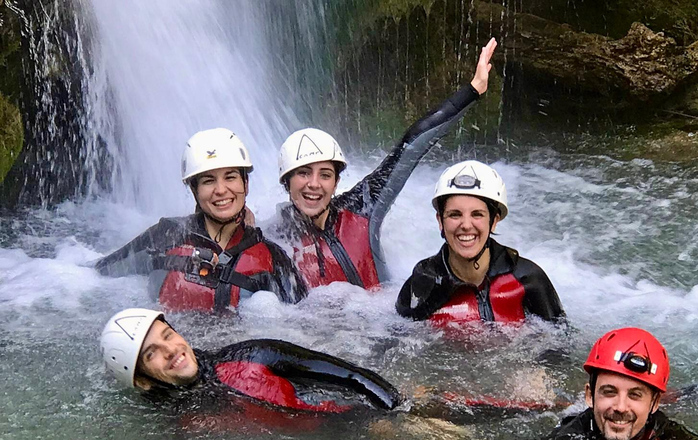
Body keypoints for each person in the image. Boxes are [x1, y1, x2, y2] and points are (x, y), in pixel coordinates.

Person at [274, 38, 498, 290]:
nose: (314, 185)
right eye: (303, 174)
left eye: (325, 175)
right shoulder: (273, 239)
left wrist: (473, 89)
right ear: (286, 181)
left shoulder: (363, 207)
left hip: (385, 323)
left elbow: (411, 145)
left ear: (336, 181)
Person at [94, 129, 307, 313]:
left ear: (246, 183)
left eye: (230, 177)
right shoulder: (166, 236)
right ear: (194, 190)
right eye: (208, 181)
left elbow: (301, 322)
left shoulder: (272, 257)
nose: (221, 190)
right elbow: (98, 274)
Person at [100, 308, 401, 418]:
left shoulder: (252, 356)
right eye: (151, 353)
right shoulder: (170, 421)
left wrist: (393, 414)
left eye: (168, 335)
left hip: (360, 418)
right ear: (141, 381)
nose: (170, 350)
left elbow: (351, 375)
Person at [396, 160, 564, 326]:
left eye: (477, 214)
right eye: (455, 215)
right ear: (440, 220)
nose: (466, 225)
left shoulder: (529, 279)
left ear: (494, 221)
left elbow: (561, 342)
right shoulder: (421, 287)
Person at [547, 327, 698, 440]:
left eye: (635, 395)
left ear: (655, 403)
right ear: (589, 395)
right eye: (609, 392)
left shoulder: (665, 434)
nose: (620, 407)